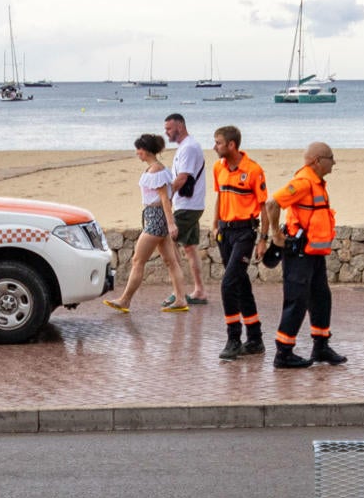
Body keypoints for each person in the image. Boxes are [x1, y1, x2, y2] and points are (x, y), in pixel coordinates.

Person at [261, 141, 344, 369]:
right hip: (299, 253)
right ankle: (283, 353)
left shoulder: (316, 183)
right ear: (317, 161)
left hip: (314, 252)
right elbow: (272, 203)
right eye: (330, 158)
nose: (334, 162)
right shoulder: (303, 183)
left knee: (321, 298)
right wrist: (275, 234)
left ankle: (321, 346)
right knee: (297, 300)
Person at [104, 133, 190, 314]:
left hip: (156, 219)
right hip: (156, 217)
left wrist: (171, 224)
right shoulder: (158, 169)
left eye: (139, 150)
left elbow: (165, 199)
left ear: (146, 151)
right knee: (171, 261)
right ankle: (180, 299)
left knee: (138, 260)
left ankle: (125, 300)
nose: (137, 153)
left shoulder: (156, 171)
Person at [208, 126, 267, 360]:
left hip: (245, 233)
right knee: (241, 285)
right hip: (225, 232)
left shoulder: (253, 170)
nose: (214, 147)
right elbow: (220, 196)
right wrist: (215, 225)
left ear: (231, 145)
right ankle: (255, 339)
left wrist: (263, 239)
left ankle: (233, 338)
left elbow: (264, 207)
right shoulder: (218, 168)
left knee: (228, 284)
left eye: (218, 143)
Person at [162, 112, 208, 306]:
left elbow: (182, 178)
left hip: (188, 206)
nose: (166, 133)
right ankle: (199, 290)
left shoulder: (188, 147)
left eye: (169, 129)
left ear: (180, 126)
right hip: (191, 204)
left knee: (168, 242)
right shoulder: (187, 146)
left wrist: (166, 197)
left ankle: (178, 292)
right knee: (189, 248)